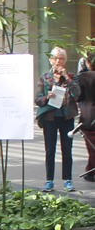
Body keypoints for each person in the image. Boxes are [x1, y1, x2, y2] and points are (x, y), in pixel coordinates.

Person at [35, 46, 80, 192]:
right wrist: (47, 98)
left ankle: (68, 180)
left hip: (67, 117)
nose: (58, 61)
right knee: (50, 149)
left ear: (65, 61)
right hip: (50, 117)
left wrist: (66, 77)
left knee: (67, 149)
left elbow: (77, 93)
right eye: (55, 58)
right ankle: (49, 180)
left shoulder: (71, 77)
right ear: (50, 60)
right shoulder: (44, 77)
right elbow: (37, 99)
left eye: (61, 58)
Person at [77, 60, 95, 182]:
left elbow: (78, 97)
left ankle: (91, 171)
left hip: (88, 116)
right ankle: (90, 171)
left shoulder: (83, 77)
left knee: (92, 147)